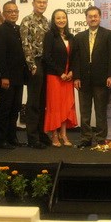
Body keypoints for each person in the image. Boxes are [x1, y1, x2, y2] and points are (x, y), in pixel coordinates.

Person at [72, 6, 111, 147]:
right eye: (90, 16)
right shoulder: (79, 37)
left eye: (95, 16)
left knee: (101, 111)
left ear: (100, 17)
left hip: (102, 79)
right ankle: (86, 138)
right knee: (84, 112)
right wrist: (76, 77)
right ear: (86, 18)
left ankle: (101, 138)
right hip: (83, 80)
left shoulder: (108, 34)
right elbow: (75, 59)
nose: (93, 18)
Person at [0, 1, 26, 149]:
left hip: (19, 77)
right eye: (10, 11)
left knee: (15, 108)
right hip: (7, 78)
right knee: (5, 109)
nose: (13, 14)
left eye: (15, 11)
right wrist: (4, 76)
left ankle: (12, 137)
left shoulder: (19, 29)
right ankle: (1, 140)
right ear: (4, 13)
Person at [20, 0, 51, 149]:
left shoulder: (47, 22)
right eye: (39, 2)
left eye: (44, 2)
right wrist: (31, 65)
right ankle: (32, 137)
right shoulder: (27, 21)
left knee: (43, 101)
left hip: (46, 64)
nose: (42, 4)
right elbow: (26, 45)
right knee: (33, 102)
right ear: (33, 3)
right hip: (34, 64)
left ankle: (41, 133)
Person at [43, 9, 78, 146]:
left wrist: (71, 72)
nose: (61, 20)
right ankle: (54, 135)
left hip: (68, 78)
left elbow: (74, 57)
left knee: (65, 106)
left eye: (63, 17)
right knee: (55, 106)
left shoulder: (71, 37)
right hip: (54, 76)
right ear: (53, 20)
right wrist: (60, 73)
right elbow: (47, 57)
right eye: (58, 18)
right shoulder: (50, 35)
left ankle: (63, 134)